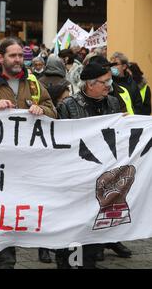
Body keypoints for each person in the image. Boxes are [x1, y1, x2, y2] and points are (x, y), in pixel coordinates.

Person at [0, 37, 56, 269]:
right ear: (1, 58)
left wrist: (41, 109)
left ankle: (8, 262)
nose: (18, 60)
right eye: (13, 55)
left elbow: (53, 112)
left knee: (12, 216)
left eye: (20, 56)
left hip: (23, 166)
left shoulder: (34, 84)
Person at [56, 60, 123, 269]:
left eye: (110, 81)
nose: (108, 86)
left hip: (102, 180)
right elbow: (60, 143)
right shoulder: (68, 106)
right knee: (71, 234)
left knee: (93, 234)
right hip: (75, 181)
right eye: (104, 82)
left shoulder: (112, 103)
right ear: (89, 84)